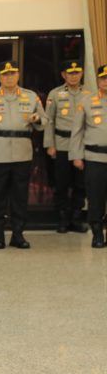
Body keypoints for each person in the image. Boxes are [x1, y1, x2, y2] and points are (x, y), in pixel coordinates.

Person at [0, 60, 48, 249]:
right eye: (5, 74)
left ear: (18, 75)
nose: (9, 77)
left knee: (20, 197)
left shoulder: (31, 97)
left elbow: (45, 121)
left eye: (12, 73)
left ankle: (18, 234)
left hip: (22, 154)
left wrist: (38, 119)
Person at [44, 60, 89, 233]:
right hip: (61, 145)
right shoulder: (55, 94)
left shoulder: (89, 94)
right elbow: (49, 121)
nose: (74, 76)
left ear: (81, 73)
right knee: (61, 184)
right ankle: (62, 219)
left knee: (80, 184)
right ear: (64, 75)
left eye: (77, 72)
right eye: (70, 73)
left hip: (81, 146)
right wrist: (50, 144)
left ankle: (76, 219)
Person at [70, 64, 107, 248]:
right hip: (95, 158)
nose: (106, 82)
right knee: (95, 198)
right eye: (103, 78)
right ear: (98, 80)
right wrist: (76, 155)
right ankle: (97, 233)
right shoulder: (86, 101)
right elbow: (77, 131)